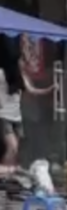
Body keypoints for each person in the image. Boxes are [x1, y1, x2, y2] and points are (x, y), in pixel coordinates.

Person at [0, 34, 53, 166]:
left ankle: (8, 174)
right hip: (3, 116)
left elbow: (32, 90)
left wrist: (50, 89)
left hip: (16, 116)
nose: (23, 63)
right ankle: (4, 173)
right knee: (12, 147)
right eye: (20, 60)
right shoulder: (1, 73)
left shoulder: (19, 76)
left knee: (15, 149)